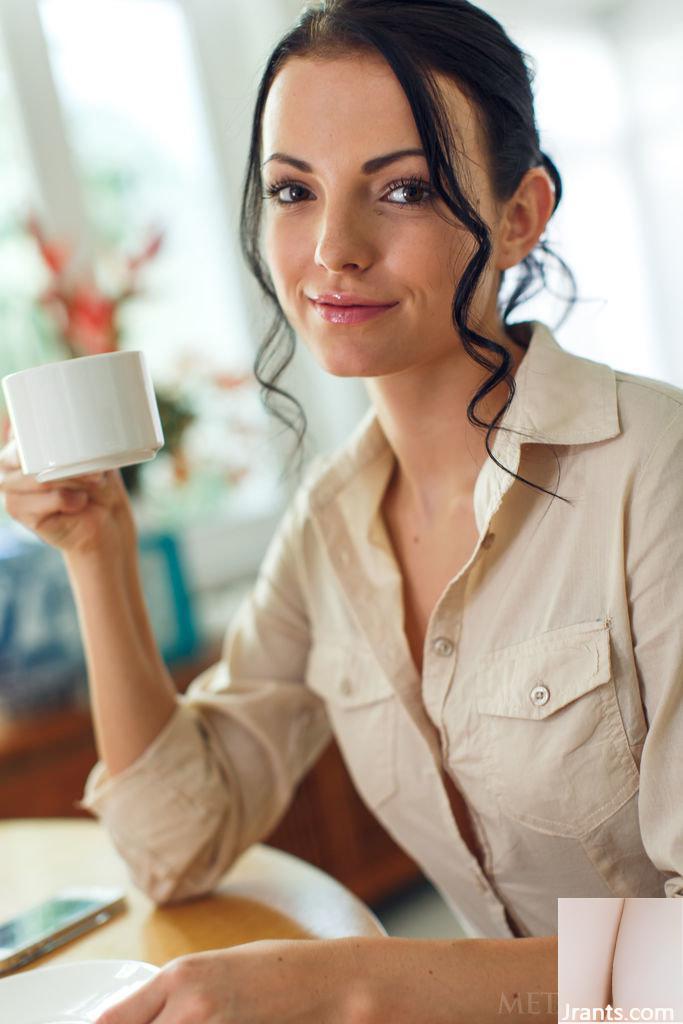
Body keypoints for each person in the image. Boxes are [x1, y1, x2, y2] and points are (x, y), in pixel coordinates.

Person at [1, 0, 681, 1020]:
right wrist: (98, 548)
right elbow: (173, 845)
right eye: (291, 189)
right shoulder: (327, 526)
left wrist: (358, 983)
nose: (331, 248)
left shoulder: (653, 474)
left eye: (401, 188)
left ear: (518, 214)